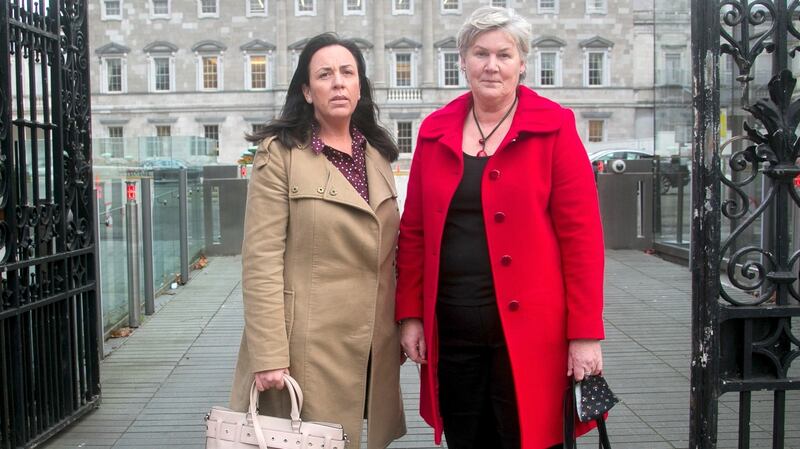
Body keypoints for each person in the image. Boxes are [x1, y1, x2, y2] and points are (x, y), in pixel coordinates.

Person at [395, 7, 606, 449]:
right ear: (463, 60)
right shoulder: (434, 132)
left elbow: (582, 238)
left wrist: (584, 333)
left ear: (522, 62)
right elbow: (413, 231)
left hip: (533, 333)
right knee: (466, 438)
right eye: (480, 53)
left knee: (528, 438)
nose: (491, 65)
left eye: (504, 55)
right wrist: (411, 315)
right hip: (452, 329)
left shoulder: (555, 127)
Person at [229, 33, 406, 449]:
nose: (338, 83)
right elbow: (261, 260)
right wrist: (268, 352)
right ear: (307, 91)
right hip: (303, 346)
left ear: (360, 86)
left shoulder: (377, 155)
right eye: (325, 75)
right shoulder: (281, 154)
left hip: (369, 342)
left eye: (348, 73)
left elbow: (389, 255)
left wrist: (398, 328)